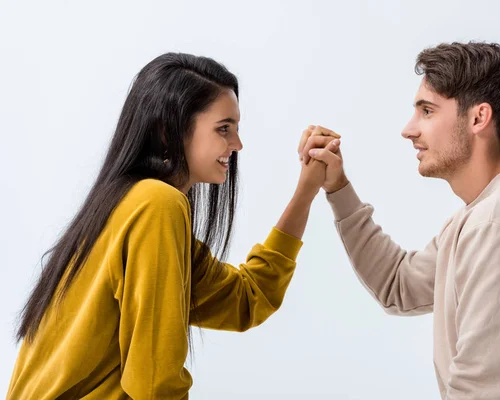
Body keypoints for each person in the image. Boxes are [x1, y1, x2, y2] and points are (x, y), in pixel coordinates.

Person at [8, 53, 340, 399]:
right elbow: (154, 384)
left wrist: (306, 190)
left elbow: (247, 299)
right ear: (169, 132)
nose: (237, 145)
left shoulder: (134, 204)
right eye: (223, 129)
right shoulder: (156, 205)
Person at [300, 42, 500, 398]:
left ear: (478, 118)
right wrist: (338, 186)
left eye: (427, 111)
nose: (409, 130)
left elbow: (477, 390)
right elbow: (399, 285)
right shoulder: (483, 216)